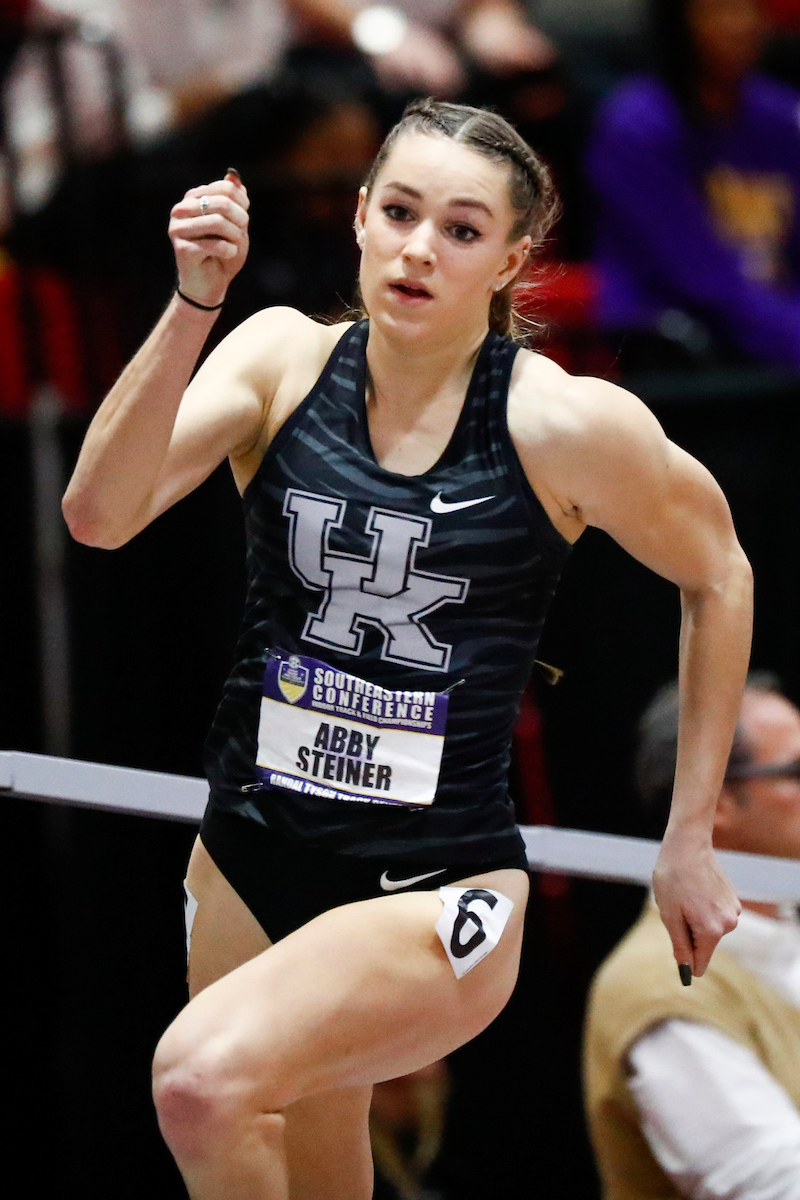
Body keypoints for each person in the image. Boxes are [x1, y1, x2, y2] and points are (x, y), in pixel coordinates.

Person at [62, 98, 750, 1199]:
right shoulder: (280, 359)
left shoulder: (561, 423)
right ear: (359, 219)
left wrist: (686, 838)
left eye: (463, 230)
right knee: (305, 1152)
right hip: (248, 846)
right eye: (399, 211)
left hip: (433, 883)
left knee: (198, 1083)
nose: (420, 249)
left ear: (513, 256)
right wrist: (194, 304)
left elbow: (718, 572)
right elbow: (98, 515)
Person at [584, 676, 800, 1199]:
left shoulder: (781, 930)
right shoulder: (658, 984)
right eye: (796, 770)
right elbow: (771, 1184)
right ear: (716, 801)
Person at [585, 0, 800, 372]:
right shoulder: (637, 126)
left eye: (752, 8)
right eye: (719, 9)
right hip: (675, 351)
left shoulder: (781, 117)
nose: (741, 24)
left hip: (775, 339)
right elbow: (701, 281)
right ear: (677, 21)